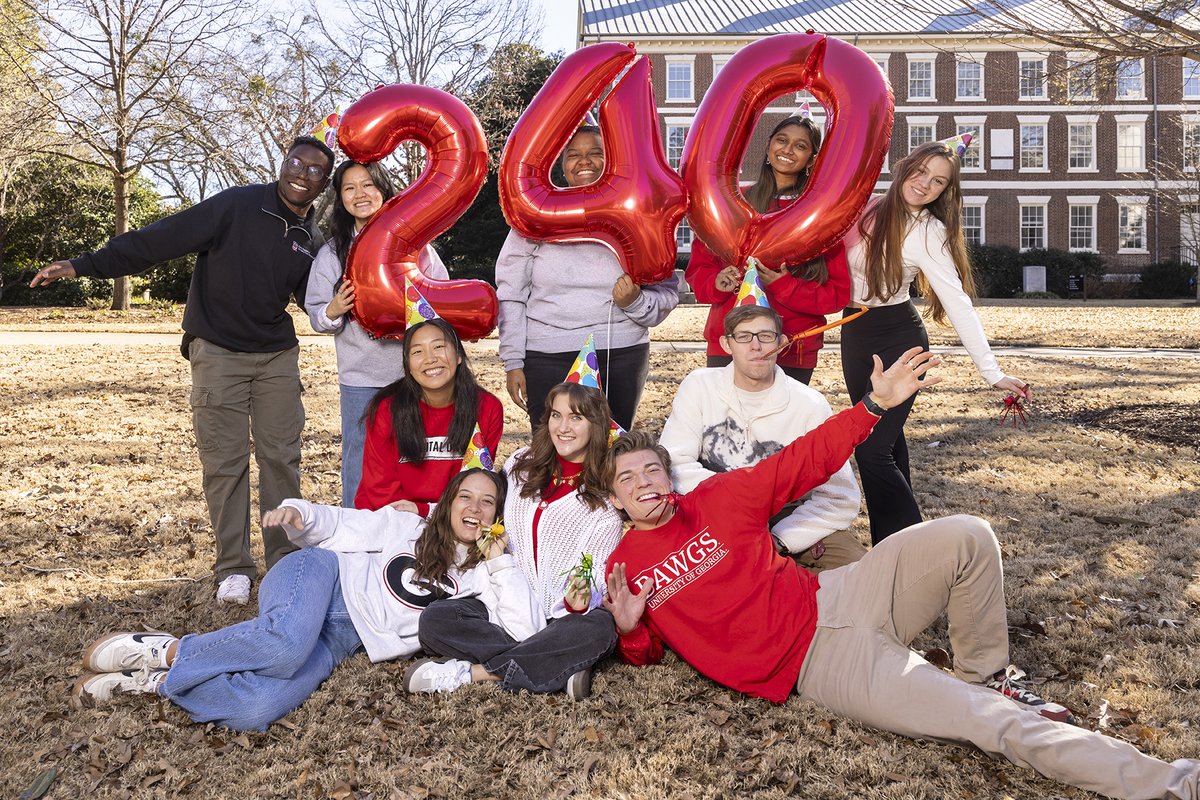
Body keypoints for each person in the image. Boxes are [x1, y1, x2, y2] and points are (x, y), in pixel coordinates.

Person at [601, 348, 1199, 800]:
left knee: (968, 534)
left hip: (841, 592)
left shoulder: (720, 499)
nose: (646, 483)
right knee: (983, 721)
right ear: (615, 498)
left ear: (668, 473)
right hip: (820, 665)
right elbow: (652, 651)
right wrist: (630, 630)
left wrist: (874, 405)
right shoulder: (625, 565)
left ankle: (984, 671)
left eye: (653, 470)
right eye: (629, 479)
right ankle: (1175, 783)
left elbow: (803, 459)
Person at [30, 136, 336, 606]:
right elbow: (160, 239)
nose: (302, 172)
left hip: (276, 356)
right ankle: (233, 568)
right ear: (282, 162)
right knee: (225, 464)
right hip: (218, 353)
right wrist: (83, 265)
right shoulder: (238, 205)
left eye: (315, 169)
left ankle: (284, 563)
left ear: (323, 183)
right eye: (296, 161)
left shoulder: (310, 241)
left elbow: (313, 300)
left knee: (280, 459)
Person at [73, 469, 542, 732]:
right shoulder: (408, 528)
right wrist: (300, 512)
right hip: (319, 576)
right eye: (466, 496)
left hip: (345, 637)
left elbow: (522, 632)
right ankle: (166, 649)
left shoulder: (483, 579)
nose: (475, 509)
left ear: (497, 516)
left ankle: (156, 682)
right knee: (284, 645)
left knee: (256, 709)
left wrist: (501, 563)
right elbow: (342, 525)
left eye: (487, 503)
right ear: (448, 502)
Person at [842, 136, 1031, 544]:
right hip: (854, 331)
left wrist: (991, 372)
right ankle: (892, 547)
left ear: (946, 191)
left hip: (898, 339)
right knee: (888, 446)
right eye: (922, 171)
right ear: (905, 166)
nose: (926, 184)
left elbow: (957, 301)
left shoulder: (927, 231)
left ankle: (917, 552)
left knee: (871, 449)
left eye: (940, 182)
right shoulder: (864, 205)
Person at [409, 381, 625, 699]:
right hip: (505, 603)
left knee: (599, 630)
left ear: (596, 424)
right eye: (556, 415)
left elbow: (593, 569)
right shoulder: (519, 465)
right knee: (435, 619)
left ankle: (476, 674)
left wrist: (584, 595)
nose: (563, 427)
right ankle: (553, 665)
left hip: (562, 617)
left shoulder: (604, 501)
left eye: (576, 418)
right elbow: (478, 502)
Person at [496, 124, 680, 431]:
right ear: (562, 164)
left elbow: (667, 291)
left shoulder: (638, 212)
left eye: (596, 153)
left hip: (620, 353)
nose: (585, 161)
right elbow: (511, 292)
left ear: (611, 163)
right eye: (574, 155)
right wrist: (514, 361)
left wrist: (636, 302)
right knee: (552, 451)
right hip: (546, 355)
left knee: (611, 453)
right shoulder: (536, 216)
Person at [658, 304, 864, 571]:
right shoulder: (698, 386)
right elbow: (674, 463)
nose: (756, 346)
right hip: (713, 512)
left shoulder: (809, 404)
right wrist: (739, 502)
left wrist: (780, 539)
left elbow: (839, 496)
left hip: (790, 517)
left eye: (765, 336)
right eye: (744, 336)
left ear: (781, 343)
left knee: (857, 571)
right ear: (726, 343)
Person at [304, 160, 450, 507]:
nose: (360, 194)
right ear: (340, 199)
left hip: (414, 376)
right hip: (360, 378)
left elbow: (442, 300)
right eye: (349, 188)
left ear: (384, 189)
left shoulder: (417, 247)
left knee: (416, 455)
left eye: (368, 184)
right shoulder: (332, 253)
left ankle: (413, 532)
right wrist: (334, 309)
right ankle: (357, 530)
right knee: (360, 459)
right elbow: (316, 314)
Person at [685, 112, 850, 385]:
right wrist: (717, 282)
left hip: (791, 350)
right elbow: (699, 269)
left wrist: (785, 285)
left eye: (800, 145)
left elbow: (836, 296)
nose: (787, 149)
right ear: (768, 146)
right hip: (729, 344)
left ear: (811, 159)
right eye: (781, 140)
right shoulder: (734, 204)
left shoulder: (823, 216)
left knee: (782, 427)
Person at [355, 318, 503, 514]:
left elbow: (475, 484)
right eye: (417, 351)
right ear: (407, 364)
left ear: (459, 355)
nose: (430, 358)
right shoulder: (386, 409)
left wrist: (427, 511)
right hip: (389, 514)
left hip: (451, 518)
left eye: (439, 346)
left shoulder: (487, 409)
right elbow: (379, 487)